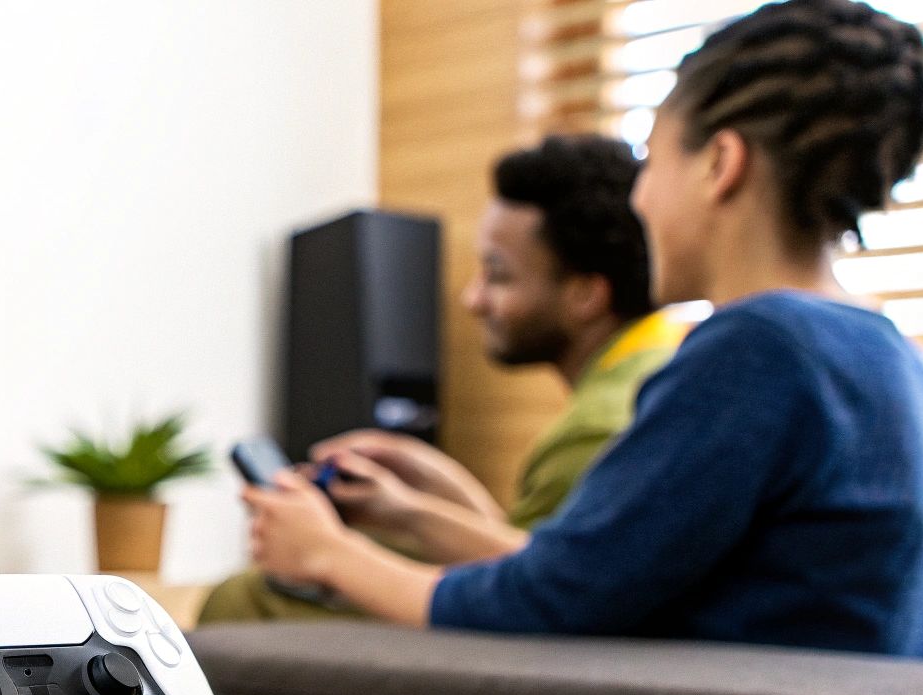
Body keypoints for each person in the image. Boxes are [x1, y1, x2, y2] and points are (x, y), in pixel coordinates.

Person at [241, 0, 923, 657]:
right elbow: (591, 572)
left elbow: (543, 601)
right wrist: (410, 515)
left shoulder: (759, 348)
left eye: (652, 160)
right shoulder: (881, 352)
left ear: (721, 163)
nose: (639, 197)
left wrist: (327, 556)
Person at [201, 135, 684, 622]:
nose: (472, 299)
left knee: (244, 597)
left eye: (497, 275)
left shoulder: (600, 427)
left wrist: (328, 551)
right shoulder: (650, 368)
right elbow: (535, 554)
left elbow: (543, 596)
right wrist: (419, 496)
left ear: (584, 294)